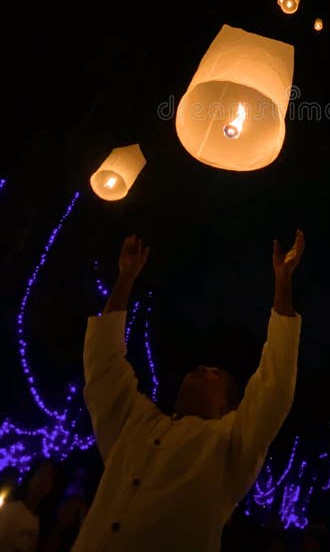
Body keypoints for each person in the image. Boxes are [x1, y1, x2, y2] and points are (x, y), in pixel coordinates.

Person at [71, 229, 305, 552]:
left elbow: (274, 385)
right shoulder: (134, 422)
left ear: (228, 408)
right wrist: (125, 279)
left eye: (216, 374)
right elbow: (103, 365)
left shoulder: (231, 444)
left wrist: (283, 284)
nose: (203, 369)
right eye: (203, 368)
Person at [0, 458, 58, 552]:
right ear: (31, 477)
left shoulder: (42, 522)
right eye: (41, 473)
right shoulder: (11, 509)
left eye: (50, 476)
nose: (44, 480)